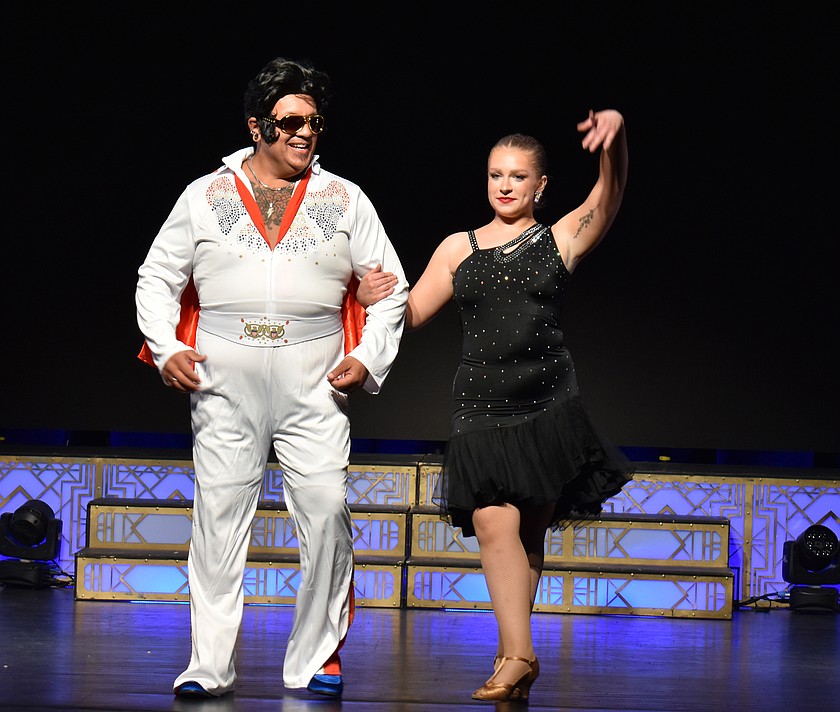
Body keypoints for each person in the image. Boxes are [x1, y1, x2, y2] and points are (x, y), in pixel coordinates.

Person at [135, 57, 408, 699]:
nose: (305, 133)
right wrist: (165, 343)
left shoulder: (345, 197)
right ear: (257, 125)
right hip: (223, 375)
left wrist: (368, 356)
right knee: (219, 515)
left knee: (327, 508)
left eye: (315, 122)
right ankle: (208, 665)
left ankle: (315, 657)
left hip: (314, 376)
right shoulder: (204, 195)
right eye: (290, 121)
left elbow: (390, 290)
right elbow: (158, 276)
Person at [357, 110, 633, 702]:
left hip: (546, 406)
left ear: (540, 186)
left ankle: (514, 658)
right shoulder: (460, 247)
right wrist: (363, 295)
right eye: (494, 175)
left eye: (517, 176)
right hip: (480, 406)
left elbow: (608, 196)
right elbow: (407, 316)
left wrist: (614, 146)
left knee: (527, 533)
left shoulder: (560, 238)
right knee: (491, 519)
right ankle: (519, 654)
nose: (504, 186)